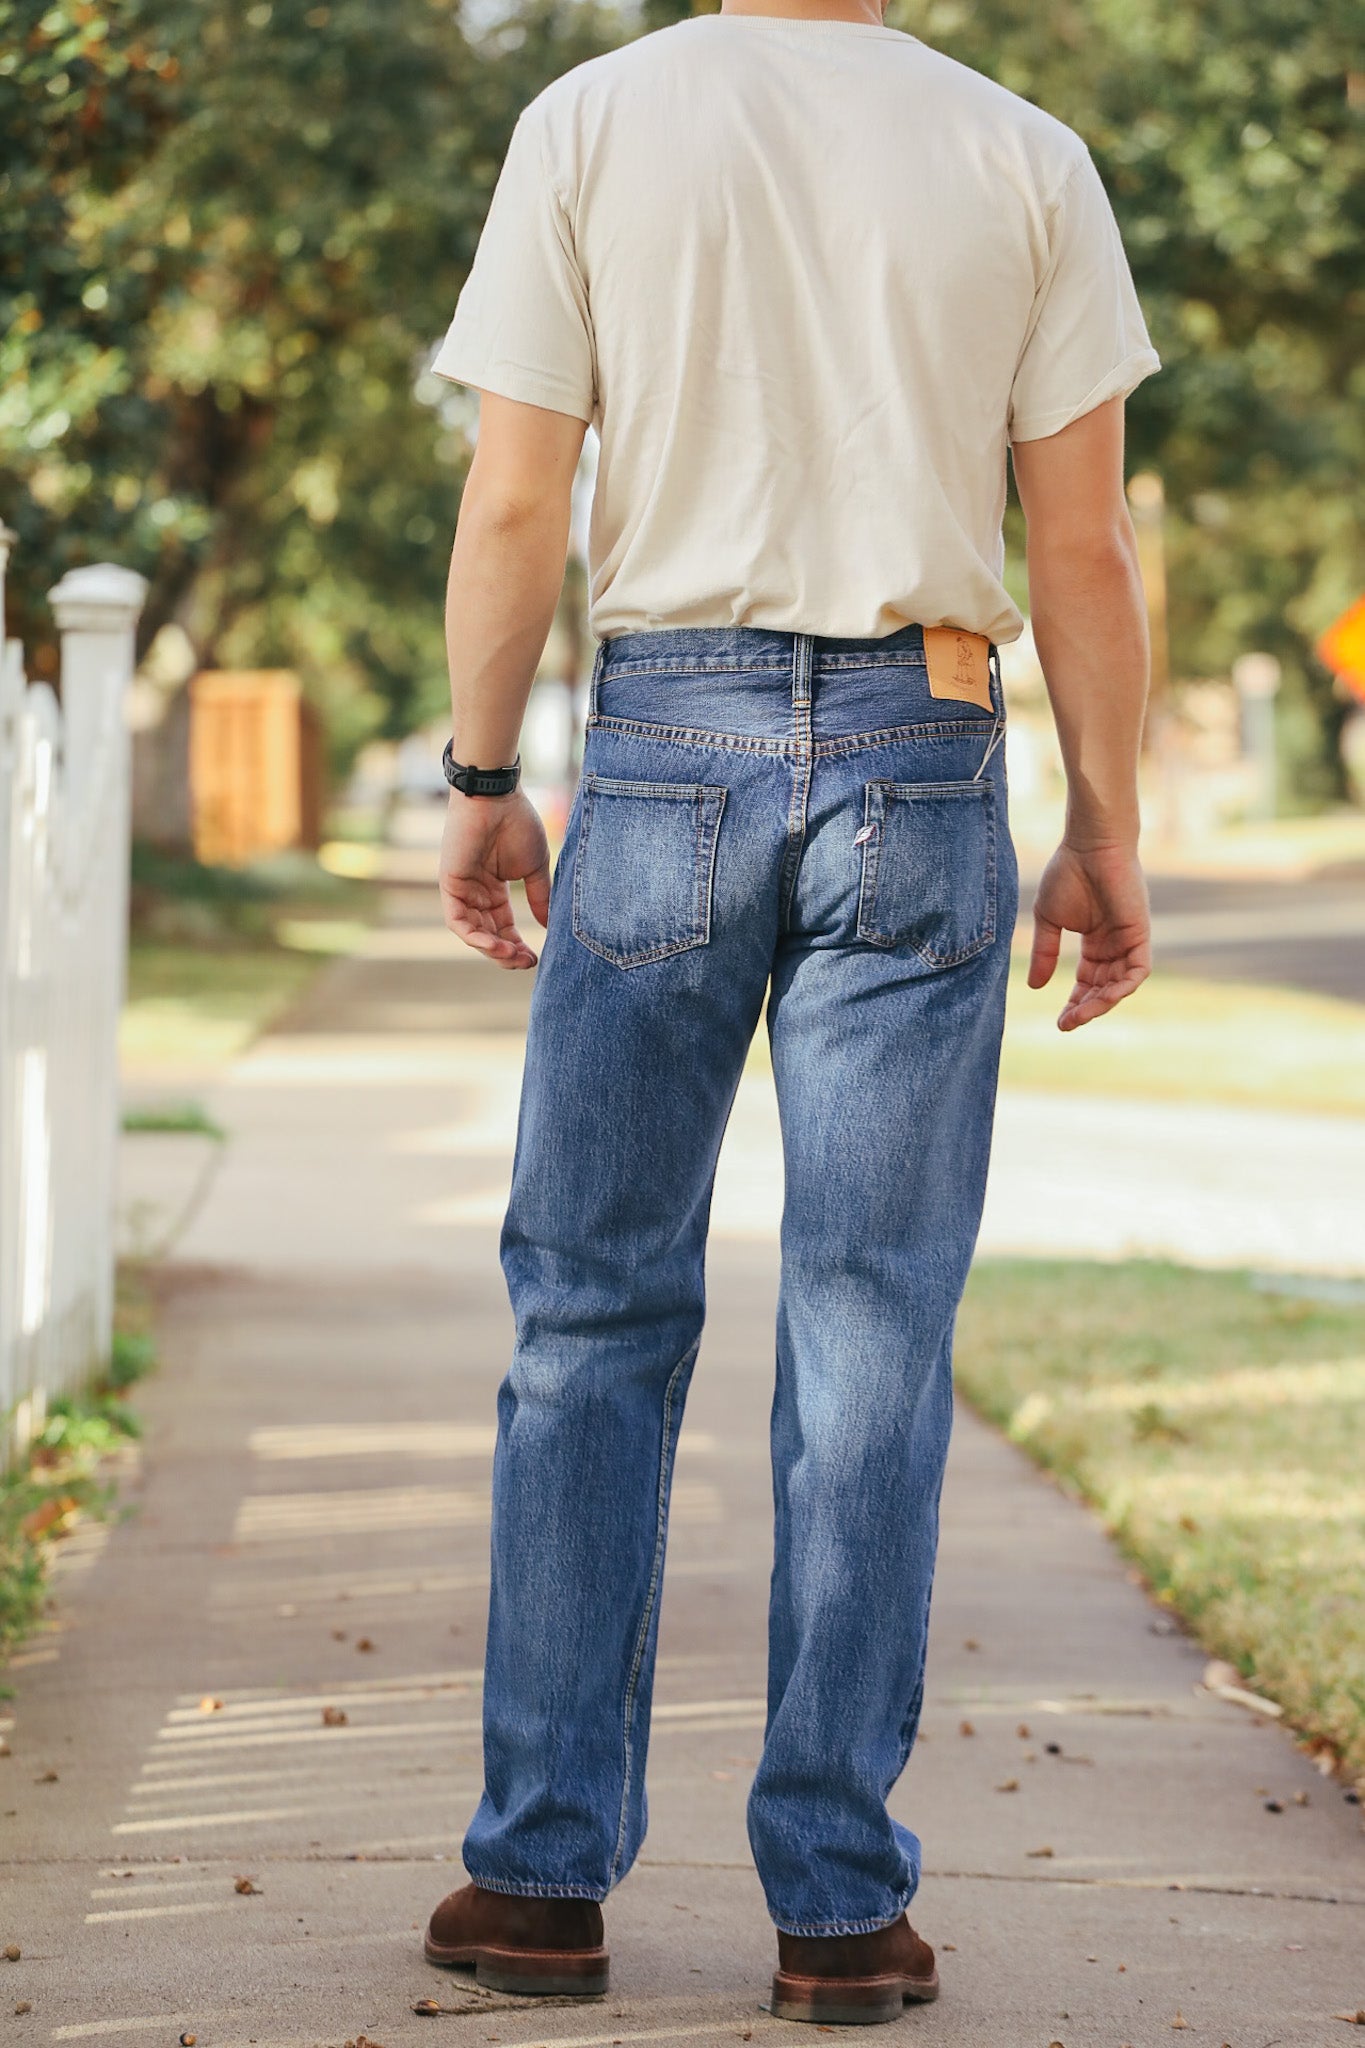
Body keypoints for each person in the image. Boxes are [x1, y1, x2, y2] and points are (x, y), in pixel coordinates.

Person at [422, 0, 1159, 2024]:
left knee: (588, 1319)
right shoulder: (1021, 153)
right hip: (925, 747)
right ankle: (837, 1903)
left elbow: (513, 504)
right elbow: (1077, 542)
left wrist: (485, 785)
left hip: (663, 740)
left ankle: (539, 1879)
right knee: (868, 1328)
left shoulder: (593, 119)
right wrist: (1102, 824)